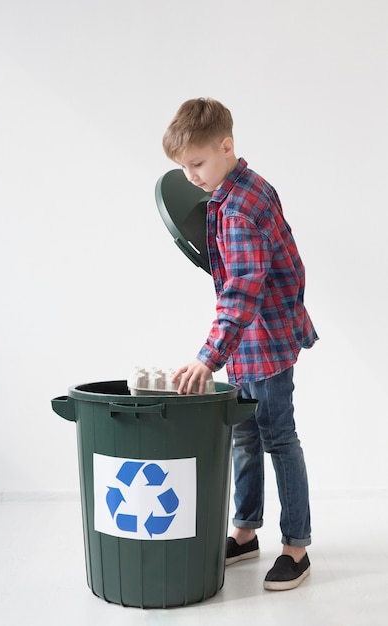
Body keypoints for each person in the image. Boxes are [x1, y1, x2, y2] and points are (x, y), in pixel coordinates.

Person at [162, 97, 318, 591]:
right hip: (247, 345)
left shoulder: (241, 208)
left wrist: (208, 356)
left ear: (226, 146)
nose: (190, 176)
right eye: (183, 168)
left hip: (265, 343)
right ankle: (246, 532)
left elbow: (243, 288)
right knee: (243, 437)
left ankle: (296, 546)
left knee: (277, 438)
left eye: (197, 164)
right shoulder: (238, 189)